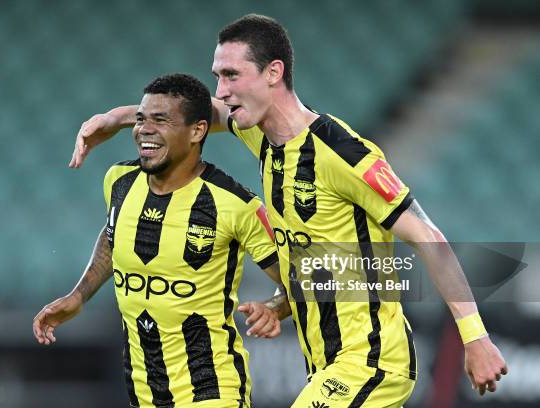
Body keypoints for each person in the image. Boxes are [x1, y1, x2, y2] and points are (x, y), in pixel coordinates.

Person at [67, 15, 507, 407]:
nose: (221, 90)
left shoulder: (341, 153)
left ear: (273, 72)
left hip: (372, 362)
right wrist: (117, 118)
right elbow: (199, 115)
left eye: (232, 75)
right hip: (327, 364)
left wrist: (476, 338)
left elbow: (430, 239)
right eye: (218, 76)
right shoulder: (260, 135)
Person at [33, 73, 286, 408]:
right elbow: (114, 237)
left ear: (197, 130)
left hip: (211, 391)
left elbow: (299, 276)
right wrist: (78, 296)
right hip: (143, 392)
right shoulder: (119, 182)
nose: (143, 130)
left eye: (160, 120)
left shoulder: (235, 204)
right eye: (140, 119)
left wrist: (277, 307)